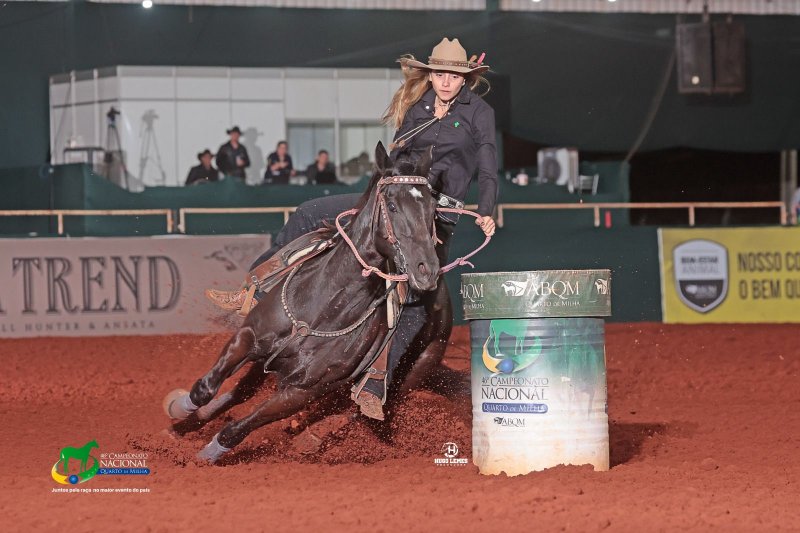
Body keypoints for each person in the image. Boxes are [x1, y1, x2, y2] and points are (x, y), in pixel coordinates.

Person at [207, 37, 497, 419]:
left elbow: (489, 166)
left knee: (414, 297)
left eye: (453, 76)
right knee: (309, 213)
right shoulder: (420, 107)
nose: (445, 82)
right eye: (439, 74)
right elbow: (394, 162)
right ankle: (253, 288)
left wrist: (489, 210)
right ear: (431, 74)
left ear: (466, 79)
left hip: (436, 215)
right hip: (391, 205)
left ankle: (378, 380)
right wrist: (371, 204)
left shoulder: (479, 113)